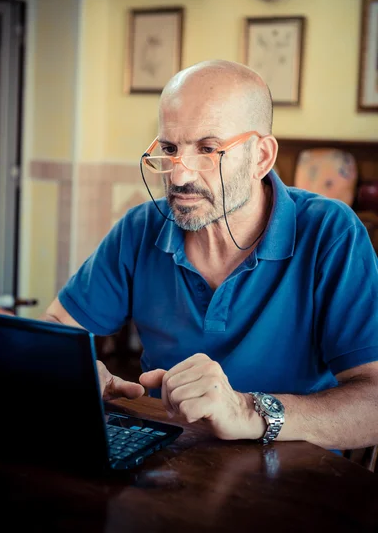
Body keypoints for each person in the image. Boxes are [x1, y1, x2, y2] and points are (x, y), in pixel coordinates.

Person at [28, 60, 378, 448]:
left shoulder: (331, 232)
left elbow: (373, 403)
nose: (178, 176)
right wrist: (71, 369)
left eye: (208, 149)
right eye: (170, 149)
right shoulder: (140, 228)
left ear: (261, 157)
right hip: (166, 465)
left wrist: (248, 412)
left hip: (294, 479)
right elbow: (57, 327)